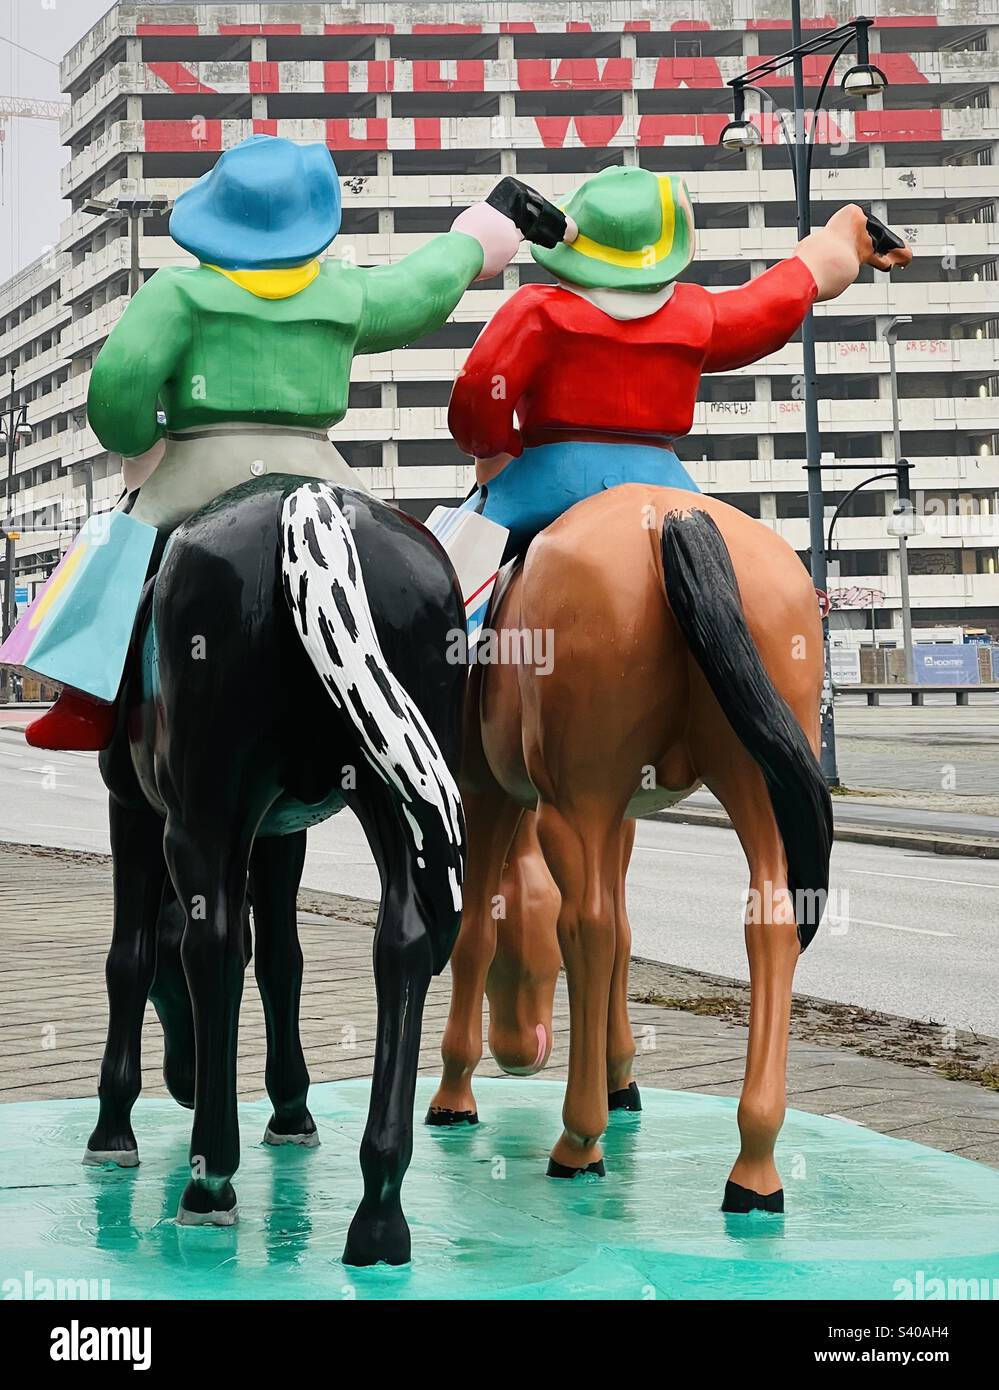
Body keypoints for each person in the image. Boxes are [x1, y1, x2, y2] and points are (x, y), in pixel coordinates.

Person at [1, 135, 535, 751]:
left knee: (115, 544)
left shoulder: (178, 293)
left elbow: (116, 395)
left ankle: (86, 700)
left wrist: (143, 444)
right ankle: (432, 680)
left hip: (197, 465)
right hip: (321, 468)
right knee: (402, 558)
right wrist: (472, 241)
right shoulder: (343, 292)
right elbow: (420, 290)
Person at [449, 164, 910, 560]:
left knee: (449, 570)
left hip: (547, 481)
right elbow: (770, 305)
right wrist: (840, 242)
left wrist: (499, 444)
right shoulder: (697, 314)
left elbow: (475, 401)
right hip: (668, 484)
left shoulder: (536, 312)